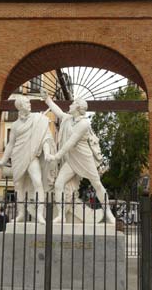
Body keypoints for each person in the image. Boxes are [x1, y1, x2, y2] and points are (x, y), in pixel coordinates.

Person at [41, 89, 116, 224]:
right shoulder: (68, 119)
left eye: (73, 103)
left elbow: (71, 142)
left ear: (77, 107)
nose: (70, 105)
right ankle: (61, 215)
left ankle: (109, 214)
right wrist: (47, 100)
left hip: (84, 158)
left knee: (97, 185)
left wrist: (56, 156)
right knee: (58, 184)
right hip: (71, 160)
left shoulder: (84, 123)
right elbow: (57, 111)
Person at [0, 96, 55, 224]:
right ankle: (21, 214)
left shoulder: (38, 119)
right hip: (18, 156)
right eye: (27, 103)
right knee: (18, 186)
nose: (29, 104)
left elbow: (45, 137)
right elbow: (10, 144)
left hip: (32, 156)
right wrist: (3, 161)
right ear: (20, 106)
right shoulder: (15, 125)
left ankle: (39, 214)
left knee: (38, 182)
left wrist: (47, 152)